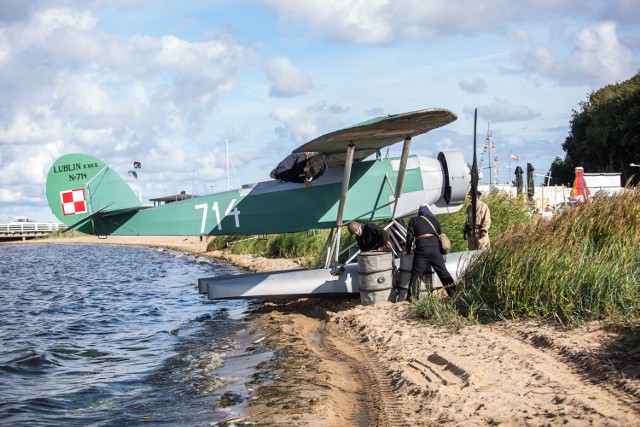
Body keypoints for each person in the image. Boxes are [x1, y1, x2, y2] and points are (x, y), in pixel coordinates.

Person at [405, 204, 455, 298]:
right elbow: (439, 235)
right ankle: (454, 293)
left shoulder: (414, 220)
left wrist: (407, 250)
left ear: (419, 211)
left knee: (416, 275)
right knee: (443, 272)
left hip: (422, 250)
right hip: (435, 250)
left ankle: (412, 298)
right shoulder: (434, 220)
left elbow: (409, 236)